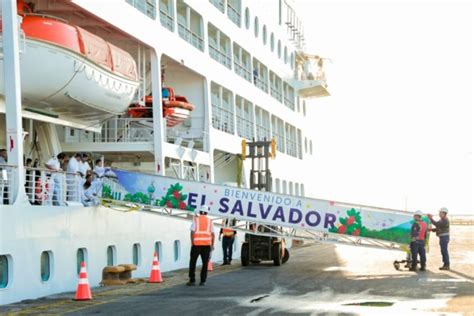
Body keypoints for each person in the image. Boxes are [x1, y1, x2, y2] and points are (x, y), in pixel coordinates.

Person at [187, 205, 215, 286]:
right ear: (207, 212)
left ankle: (192, 280)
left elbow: (192, 232)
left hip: (196, 245)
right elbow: (213, 234)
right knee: (205, 263)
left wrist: (192, 243)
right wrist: (212, 245)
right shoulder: (210, 221)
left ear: (200, 212)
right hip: (206, 245)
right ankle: (203, 281)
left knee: (193, 262)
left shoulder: (196, 220)